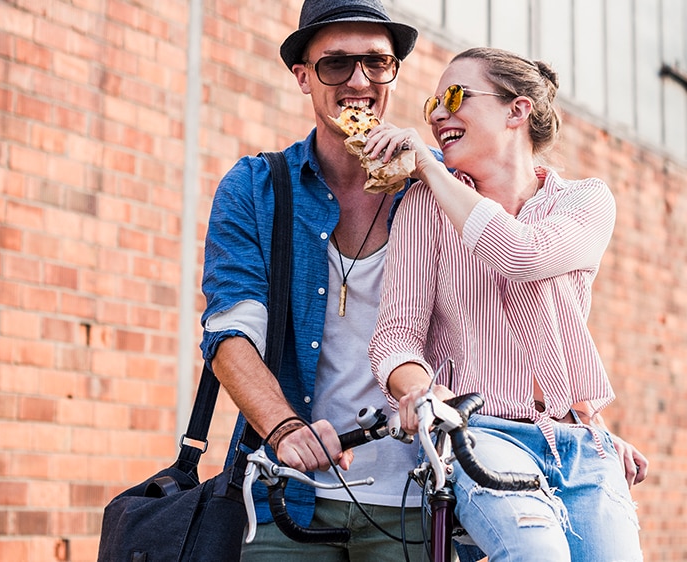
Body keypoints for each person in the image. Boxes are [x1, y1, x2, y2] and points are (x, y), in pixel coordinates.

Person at [366, 47, 649, 562]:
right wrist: (423, 392)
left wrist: (429, 170)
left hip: (580, 443)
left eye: (453, 96)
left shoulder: (585, 201)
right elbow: (395, 337)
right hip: (482, 436)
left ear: (516, 110)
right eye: (432, 104)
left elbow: (522, 254)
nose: (435, 115)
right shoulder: (423, 210)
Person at [200, 0, 428, 559]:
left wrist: (579, 422)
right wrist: (285, 431)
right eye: (336, 65)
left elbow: (516, 299)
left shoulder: (434, 188)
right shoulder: (255, 189)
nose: (359, 81)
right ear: (302, 76)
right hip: (288, 495)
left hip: (421, 498)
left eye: (377, 62)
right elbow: (231, 336)